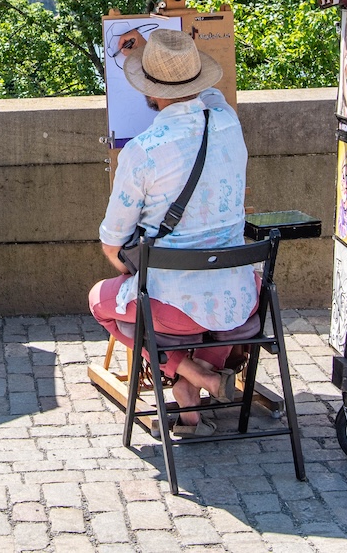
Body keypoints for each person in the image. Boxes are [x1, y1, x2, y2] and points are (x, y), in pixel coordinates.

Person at [89, 29, 256, 435]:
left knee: (100, 300)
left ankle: (190, 372)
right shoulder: (228, 121)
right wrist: (165, 56)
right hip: (241, 300)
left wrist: (128, 269)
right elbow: (212, 98)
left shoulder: (142, 150)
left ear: (148, 87)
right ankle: (189, 395)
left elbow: (112, 242)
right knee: (212, 314)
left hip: (174, 307)